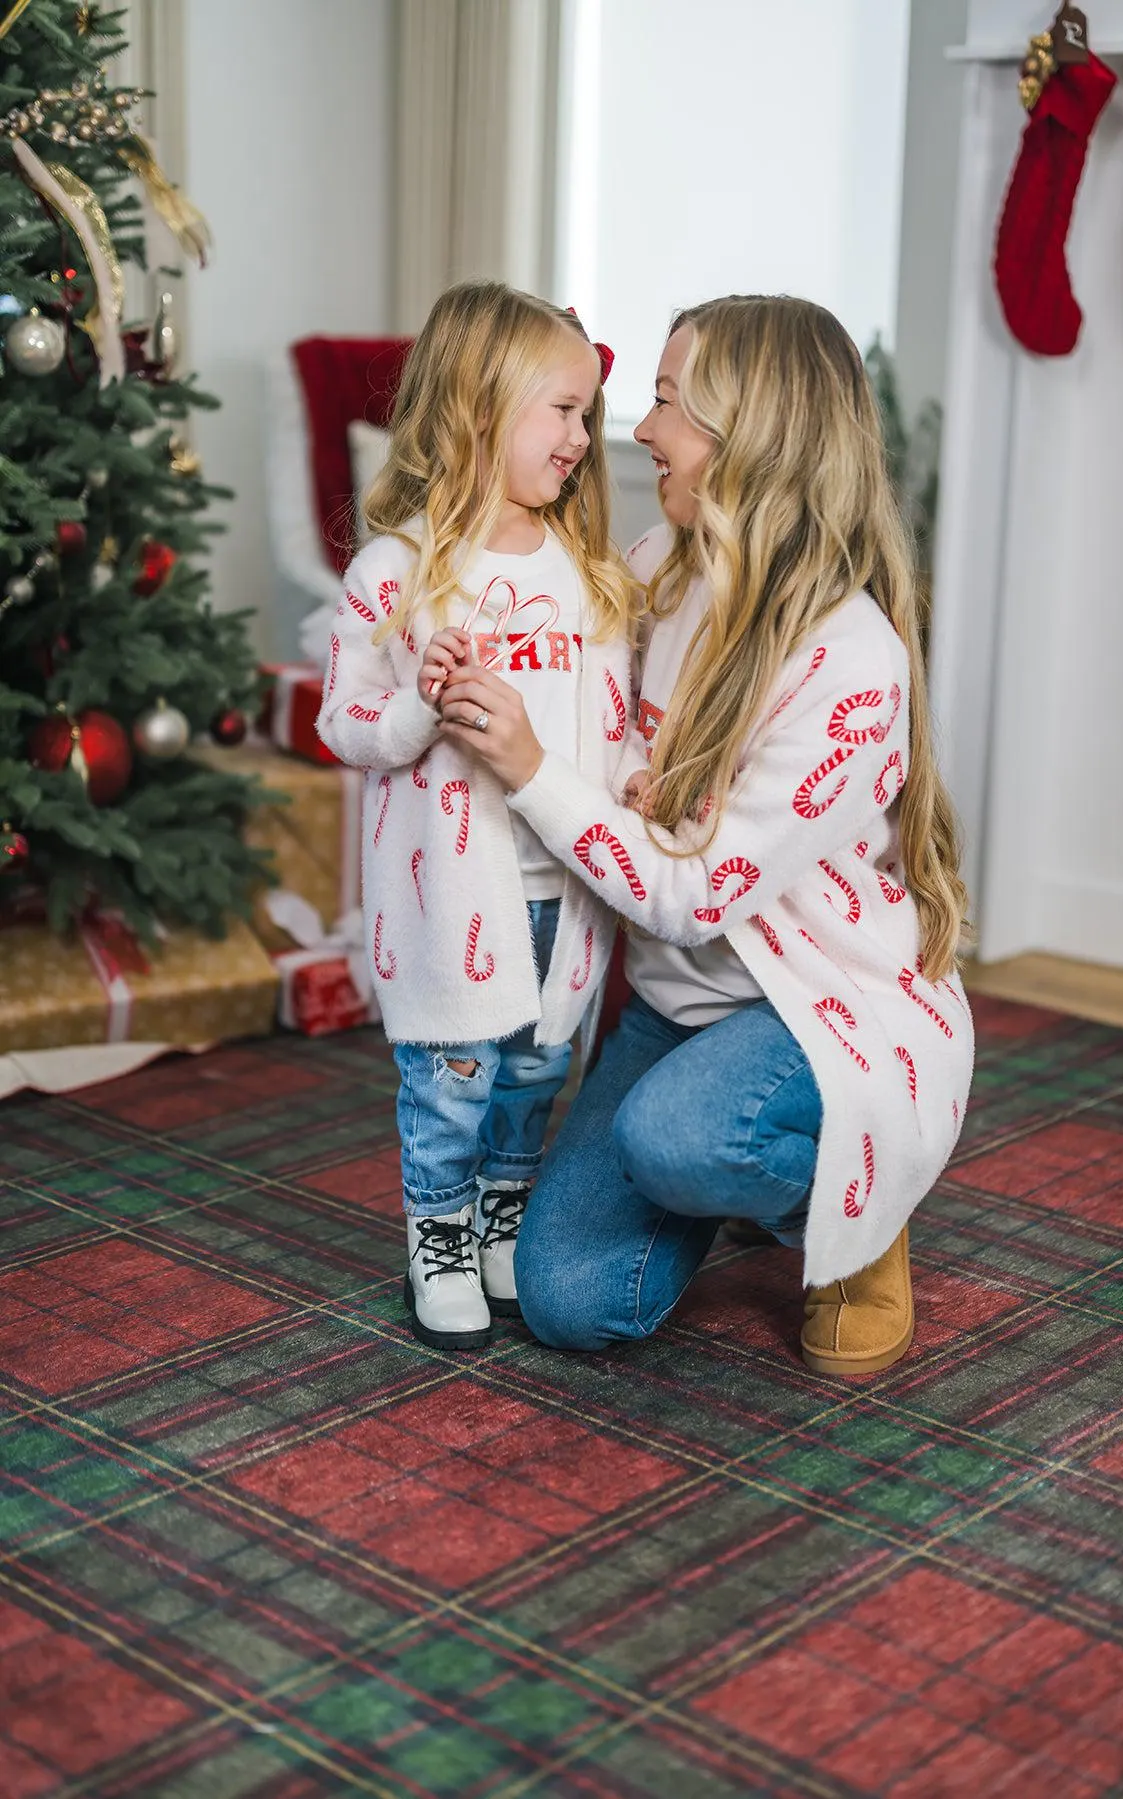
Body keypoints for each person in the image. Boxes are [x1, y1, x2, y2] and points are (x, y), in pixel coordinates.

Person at [436, 294, 974, 1375]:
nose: (641, 429)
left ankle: (856, 1213)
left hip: (819, 1009)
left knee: (674, 1137)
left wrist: (533, 770)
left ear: (749, 435)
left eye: (669, 401)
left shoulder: (848, 659)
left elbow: (689, 893)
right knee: (569, 1300)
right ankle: (724, 1164)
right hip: (678, 1011)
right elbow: (565, 668)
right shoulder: (657, 565)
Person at [317, 281, 637, 1351]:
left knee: (537, 1072)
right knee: (455, 1078)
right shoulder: (398, 574)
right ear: (478, 408)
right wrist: (419, 705)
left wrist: (637, 777)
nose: (582, 438)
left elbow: (610, 718)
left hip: (564, 887)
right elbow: (344, 719)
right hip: (454, 892)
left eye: (588, 414)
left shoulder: (587, 579)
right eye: (563, 410)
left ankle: (503, 1209)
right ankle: (439, 1229)